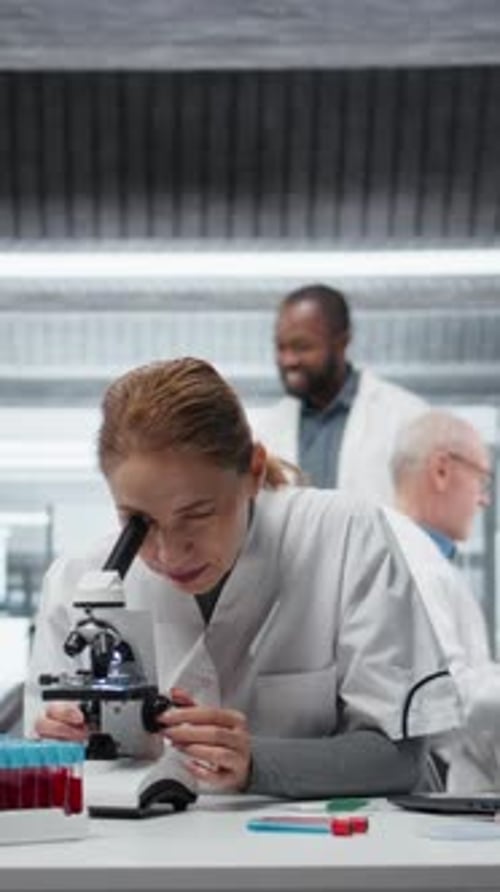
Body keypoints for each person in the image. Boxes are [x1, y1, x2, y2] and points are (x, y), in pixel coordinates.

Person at [25, 358, 459, 799]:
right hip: (156, 851)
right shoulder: (78, 578)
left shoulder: (343, 534)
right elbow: (41, 766)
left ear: (253, 472)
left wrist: (255, 762)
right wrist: (75, 749)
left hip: (336, 854)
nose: (169, 552)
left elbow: (400, 758)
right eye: (138, 521)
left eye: (197, 515)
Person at [389, 410, 500, 791]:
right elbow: (445, 699)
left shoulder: (424, 558)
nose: (484, 499)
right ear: (441, 470)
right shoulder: (409, 563)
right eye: (482, 480)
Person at [248, 283, 427, 503]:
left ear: (342, 342)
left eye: (302, 347)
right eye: (280, 347)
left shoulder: (405, 417)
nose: (288, 360)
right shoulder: (267, 429)